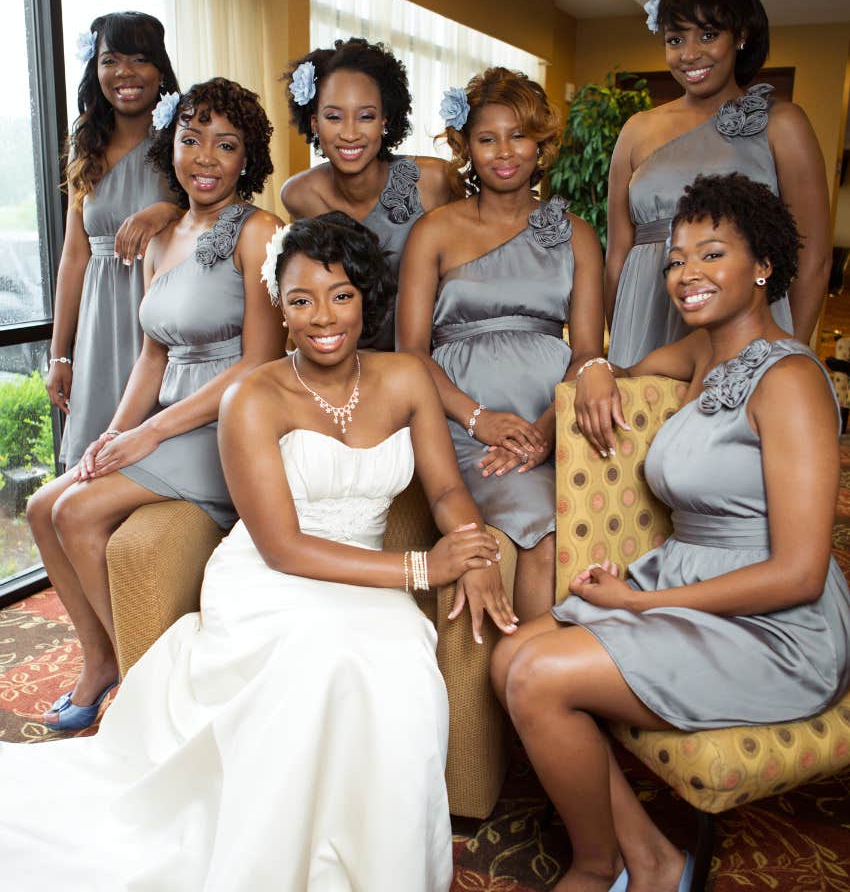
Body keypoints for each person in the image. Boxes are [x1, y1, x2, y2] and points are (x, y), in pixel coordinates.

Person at [1, 214, 517, 892]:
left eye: (340, 295)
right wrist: (425, 567)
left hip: (365, 576)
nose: (321, 317)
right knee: (321, 665)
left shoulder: (406, 378)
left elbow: (448, 487)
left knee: (401, 674)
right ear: (279, 306)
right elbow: (283, 547)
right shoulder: (253, 394)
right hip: (272, 579)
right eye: (300, 300)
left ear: (366, 297)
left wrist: (470, 545)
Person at [491, 173, 850, 892]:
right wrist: (592, 367)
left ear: (763, 265)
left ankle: (603, 867)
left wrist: (639, 605)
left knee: (536, 677)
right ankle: (652, 859)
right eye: (678, 259)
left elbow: (801, 572)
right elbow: (623, 377)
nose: (687, 274)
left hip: (776, 626)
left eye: (711, 255)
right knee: (510, 657)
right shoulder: (701, 354)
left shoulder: (791, 383)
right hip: (684, 580)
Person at [26, 77, 285, 731]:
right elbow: (153, 355)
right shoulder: (159, 237)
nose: (204, 158)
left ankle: (142, 689)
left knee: (79, 512)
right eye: (192, 139)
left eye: (225, 146)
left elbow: (261, 364)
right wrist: (111, 433)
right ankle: (100, 657)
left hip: (229, 431)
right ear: (171, 145)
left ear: (246, 159)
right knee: (40, 506)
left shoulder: (260, 233)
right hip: (169, 427)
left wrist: (147, 436)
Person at [397, 68, 607, 622]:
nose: (504, 152)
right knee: (545, 522)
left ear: (541, 142)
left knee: (583, 517)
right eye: (487, 139)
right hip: (458, 423)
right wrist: (478, 420)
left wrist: (543, 431)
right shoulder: (434, 231)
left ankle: (553, 682)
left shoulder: (578, 235)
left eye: (518, 135)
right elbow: (411, 352)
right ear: (467, 147)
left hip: (552, 425)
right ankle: (535, 683)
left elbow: (587, 351)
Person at [606, 0, 830, 367]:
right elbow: (617, 256)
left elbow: (813, 257)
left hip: (748, 332)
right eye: (675, 40)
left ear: (740, 36)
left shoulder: (783, 123)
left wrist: (785, 355)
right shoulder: (636, 130)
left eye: (707, 35)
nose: (689, 54)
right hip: (644, 320)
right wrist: (620, 339)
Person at [49, 11, 179, 466]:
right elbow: (73, 256)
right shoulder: (85, 143)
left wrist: (168, 211)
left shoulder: (183, 139)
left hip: (161, 318)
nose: (124, 72)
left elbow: (222, 218)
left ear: (159, 70)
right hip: (100, 321)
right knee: (91, 463)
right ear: (96, 69)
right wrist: (59, 355)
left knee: (148, 458)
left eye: (140, 59)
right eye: (111, 59)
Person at [280, 36, 453, 348]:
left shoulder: (434, 181)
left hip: (432, 355)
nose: (349, 133)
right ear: (314, 123)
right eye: (334, 116)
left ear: (385, 120)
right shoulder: (299, 194)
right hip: (350, 358)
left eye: (366, 116)